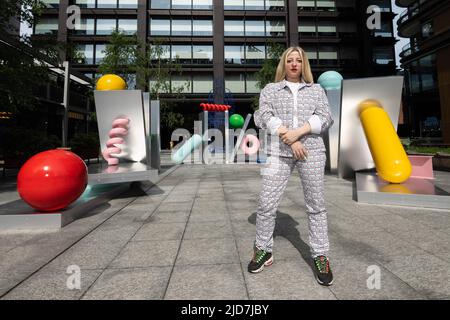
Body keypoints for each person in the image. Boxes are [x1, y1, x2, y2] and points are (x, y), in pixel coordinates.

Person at [248, 46, 334, 286]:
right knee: (266, 203)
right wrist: (290, 136)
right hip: (279, 151)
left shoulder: (316, 90)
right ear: (283, 64)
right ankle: (263, 249)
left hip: (312, 151)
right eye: (289, 60)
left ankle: (320, 255)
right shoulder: (270, 90)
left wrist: (299, 132)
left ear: (303, 64)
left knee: (316, 205)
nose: (294, 64)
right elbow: (262, 115)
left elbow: (326, 117)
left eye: (298, 60)